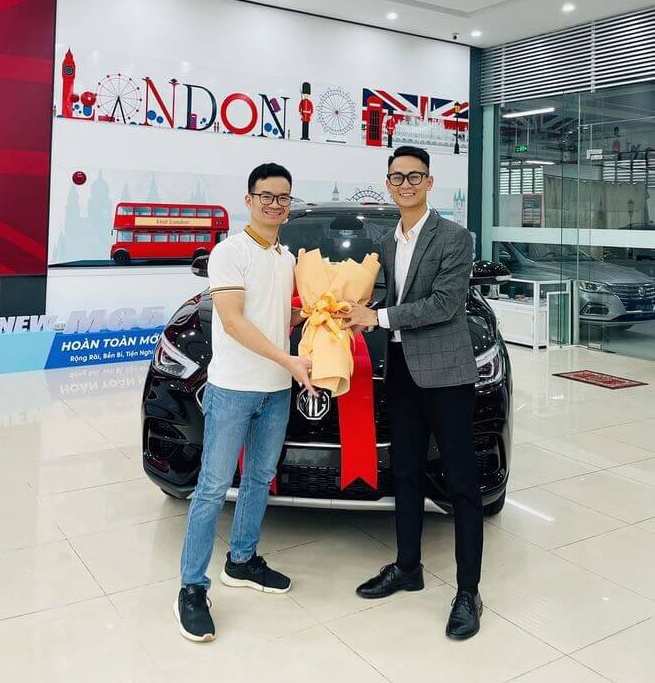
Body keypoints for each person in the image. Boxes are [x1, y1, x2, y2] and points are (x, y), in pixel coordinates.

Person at [340, 145, 484, 640]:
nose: (406, 184)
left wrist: (377, 317)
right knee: (404, 472)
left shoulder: (454, 237)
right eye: (397, 177)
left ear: (429, 182)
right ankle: (407, 567)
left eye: (414, 176)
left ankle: (468, 592)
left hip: (447, 375)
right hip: (400, 370)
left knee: (462, 483)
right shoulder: (386, 240)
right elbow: (386, 297)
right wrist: (344, 309)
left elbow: (444, 304)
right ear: (388, 184)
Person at [175, 163, 315, 643]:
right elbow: (234, 322)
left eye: (283, 197)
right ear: (249, 200)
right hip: (234, 388)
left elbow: (275, 316)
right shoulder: (229, 252)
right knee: (213, 487)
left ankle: (242, 560)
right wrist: (289, 359)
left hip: (276, 390)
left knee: (259, 478)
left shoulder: (286, 257)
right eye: (267, 196)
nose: (275, 205)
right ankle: (192, 588)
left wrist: (315, 315)